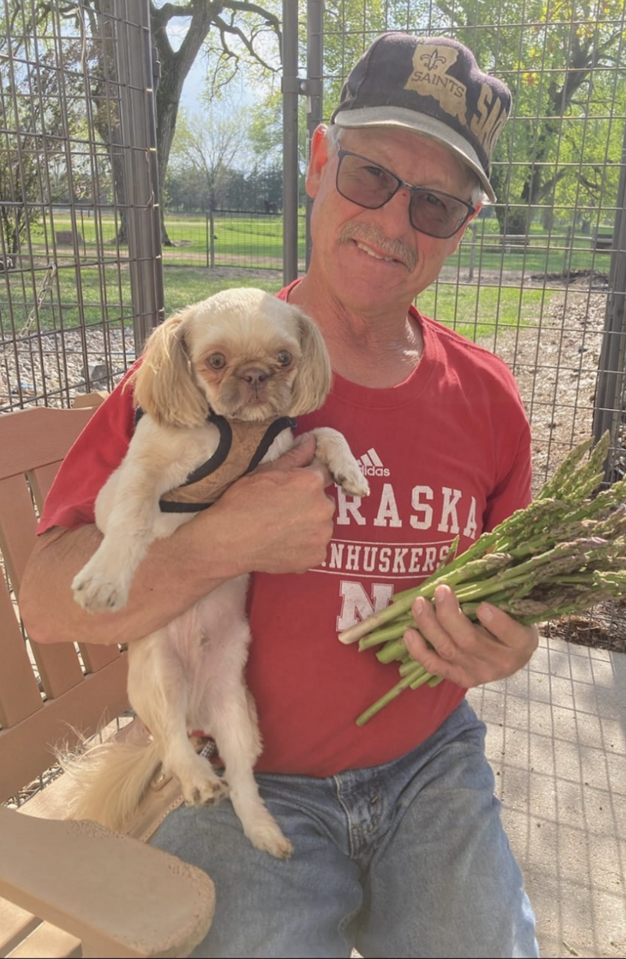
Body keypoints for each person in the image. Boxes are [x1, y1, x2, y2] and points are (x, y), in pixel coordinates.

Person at [20, 32, 539, 959]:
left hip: (431, 764)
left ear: (461, 225)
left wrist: (509, 644)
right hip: (249, 773)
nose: (394, 222)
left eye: (435, 203)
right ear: (317, 161)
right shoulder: (196, 365)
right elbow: (50, 601)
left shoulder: (490, 400)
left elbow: (519, 595)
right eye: (372, 175)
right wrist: (223, 539)